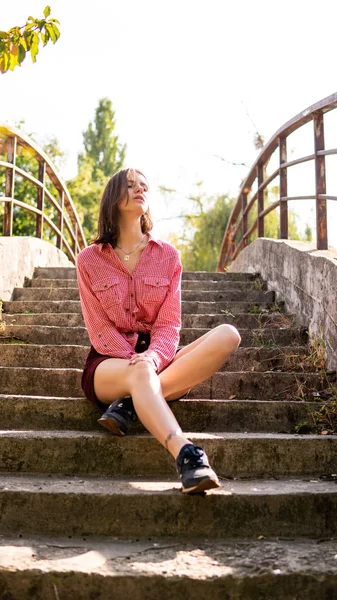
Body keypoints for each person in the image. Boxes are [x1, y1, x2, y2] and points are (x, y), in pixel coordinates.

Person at [77, 167, 241, 495]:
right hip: (108, 363)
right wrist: (136, 361)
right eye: (130, 185)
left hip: (158, 359)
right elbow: (98, 328)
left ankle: (131, 405)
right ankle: (186, 454)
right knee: (139, 375)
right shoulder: (89, 260)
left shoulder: (168, 256)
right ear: (113, 198)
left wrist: (151, 358)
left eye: (144, 186)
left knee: (229, 334)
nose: (141, 190)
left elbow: (169, 325)